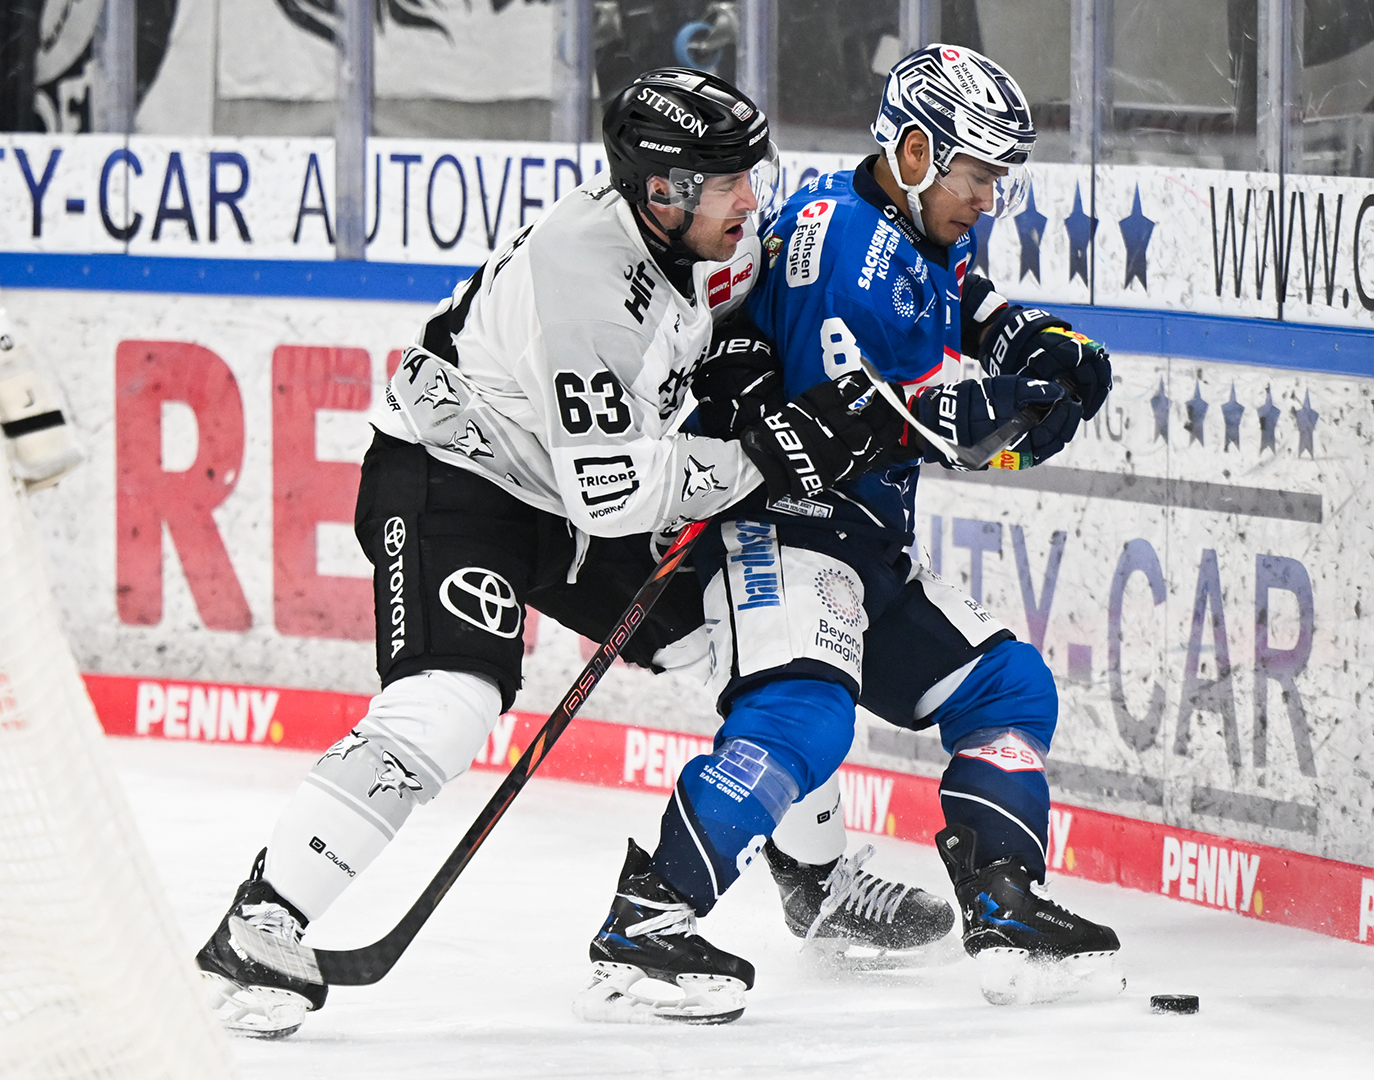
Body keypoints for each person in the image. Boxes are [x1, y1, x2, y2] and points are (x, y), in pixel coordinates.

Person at [192, 68, 945, 1039]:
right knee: (451, 702)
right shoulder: (584, 279)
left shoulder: (706, 232)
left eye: (748, 178)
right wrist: (759, 449)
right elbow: (623, 494)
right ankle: (262, 921)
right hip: (455, 480)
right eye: (728, 185)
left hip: (567, 490)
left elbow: (714, 341)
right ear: (662, 191)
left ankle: (816, 878)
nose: (752, 203)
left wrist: (738, 369)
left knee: (755, 646)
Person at [578, 44, 1123, 1024]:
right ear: (916, 150)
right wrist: (1010, 410)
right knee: (805, 722)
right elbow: (863, 418)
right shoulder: (844, 257)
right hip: (785, 525)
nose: (986, 197)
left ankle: (1001, 901)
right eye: (976, 174)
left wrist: (1031, 339)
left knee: (1007, 687)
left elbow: (955, 291)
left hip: (859, 542)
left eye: (997, 178)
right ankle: (647, 922)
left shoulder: (890, 215)